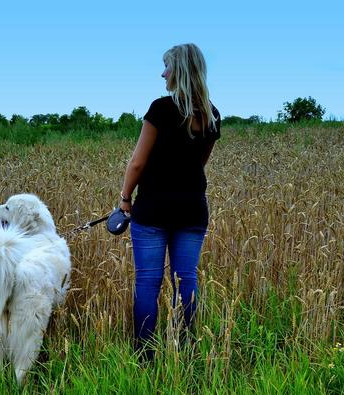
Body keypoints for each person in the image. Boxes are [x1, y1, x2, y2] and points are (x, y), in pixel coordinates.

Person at [119, 43, 221, 359]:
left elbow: (137, 162)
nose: (162, 73)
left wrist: (125, 199)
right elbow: (199, 163)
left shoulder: (161, 109)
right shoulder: (212, 114)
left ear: (179, 70)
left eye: (167, 67)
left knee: (148, 284)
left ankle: (145, 355)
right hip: (192, 210)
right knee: (186, 280)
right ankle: (185, 348)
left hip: (152, 210)